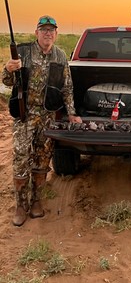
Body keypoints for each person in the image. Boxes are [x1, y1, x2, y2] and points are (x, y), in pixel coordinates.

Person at [2, 15, 82, 227]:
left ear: (56, 34)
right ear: (36, 32)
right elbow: (7, 81)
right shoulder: (23, 52)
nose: (47, 33)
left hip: (47, 117)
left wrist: (72, 113)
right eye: (43, 29)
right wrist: (8, 69)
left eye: (51, 30)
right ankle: (20, 205)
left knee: (42, 160)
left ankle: (36, 200)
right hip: (25, 115)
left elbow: (67, 87)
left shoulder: (60, 55)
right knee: (21, 158)